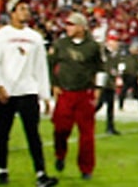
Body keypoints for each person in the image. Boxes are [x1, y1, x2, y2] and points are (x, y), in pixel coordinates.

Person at [0, 0, 58, 186]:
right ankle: (2, 170)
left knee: (33, 134)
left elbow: (40, 68)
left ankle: (41, 174)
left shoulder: (35, 38)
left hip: (27, 90)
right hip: (5, 91)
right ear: (11, 12)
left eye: (27, 8)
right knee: (1, 135)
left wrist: (45, 96)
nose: (25, 12)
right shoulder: (1, 35)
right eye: (21, 8)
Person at [48, 12, 103, 180]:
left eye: (72, 24)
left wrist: (98, 88)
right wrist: (54, 84)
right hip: (65, 92)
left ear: (81, 27)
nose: (68, 28)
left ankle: (86, 168)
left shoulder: (93, 46)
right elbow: (50, 64)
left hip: (84, 93)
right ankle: (60, 154)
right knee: (60, 129)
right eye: (67, 25)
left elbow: (101, 68)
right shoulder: (60, 44)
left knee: (87, 134)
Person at [94, 35, 121, 135]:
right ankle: (85, 119)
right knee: (99, 104)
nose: (116, 44)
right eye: (114, 42)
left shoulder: (115, 54)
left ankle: (110, 127)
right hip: (102, 83)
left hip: (110, 83)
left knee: (110, 106)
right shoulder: (104, 52)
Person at [116, 44, 138, 110]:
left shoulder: (135, 58)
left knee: (136, 91)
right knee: (125, 90)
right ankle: (121, 105)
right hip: (128, 75)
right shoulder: (127, 58)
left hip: (133, 76)